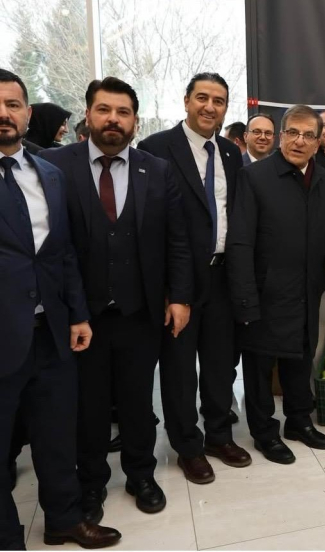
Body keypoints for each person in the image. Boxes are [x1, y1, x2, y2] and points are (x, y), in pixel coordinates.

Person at [41, 76, 193, 520]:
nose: (113, 119)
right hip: (80, 316)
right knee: (87, 406)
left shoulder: (157, 170)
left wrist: (180, 297)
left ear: (135, 122)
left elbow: (177, 240)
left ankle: (141, 474)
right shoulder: (54, 166)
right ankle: (91, 483)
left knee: (138, 401)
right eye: (104, 110)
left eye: (123, 112)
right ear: (88, 114)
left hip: (139, 311)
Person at [0, 68, 120, 550]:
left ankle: (64, 519)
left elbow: (62, 253)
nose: (4, 114)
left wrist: (77, 314)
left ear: (28, 113)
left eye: (12, 104)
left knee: (56, 433)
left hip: (49, 332)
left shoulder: (48, 173)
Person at [138, 72, 250, 485]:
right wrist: (172, 290)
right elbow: (151, 225)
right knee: (180, 370)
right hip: (178, 282)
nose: (210, 106)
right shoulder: (155, 148)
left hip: (223, 277)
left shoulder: (231, 153)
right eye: (202, 97)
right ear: (186, 101)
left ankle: (219, 435)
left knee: (221, 365)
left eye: (218, 101)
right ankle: (187, 445)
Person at [226, 105, 325, 464]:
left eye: (308, 135)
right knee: (260, 368)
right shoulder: (255, 177)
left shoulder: (323, 178)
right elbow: (240, 242)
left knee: (300, 358)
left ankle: (299, 421)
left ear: (318, 141)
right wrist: (245, 297)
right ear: (281, 136)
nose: (299, 141)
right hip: (266, 291)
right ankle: (264, 432)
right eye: (293, 132)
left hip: (307, 289)